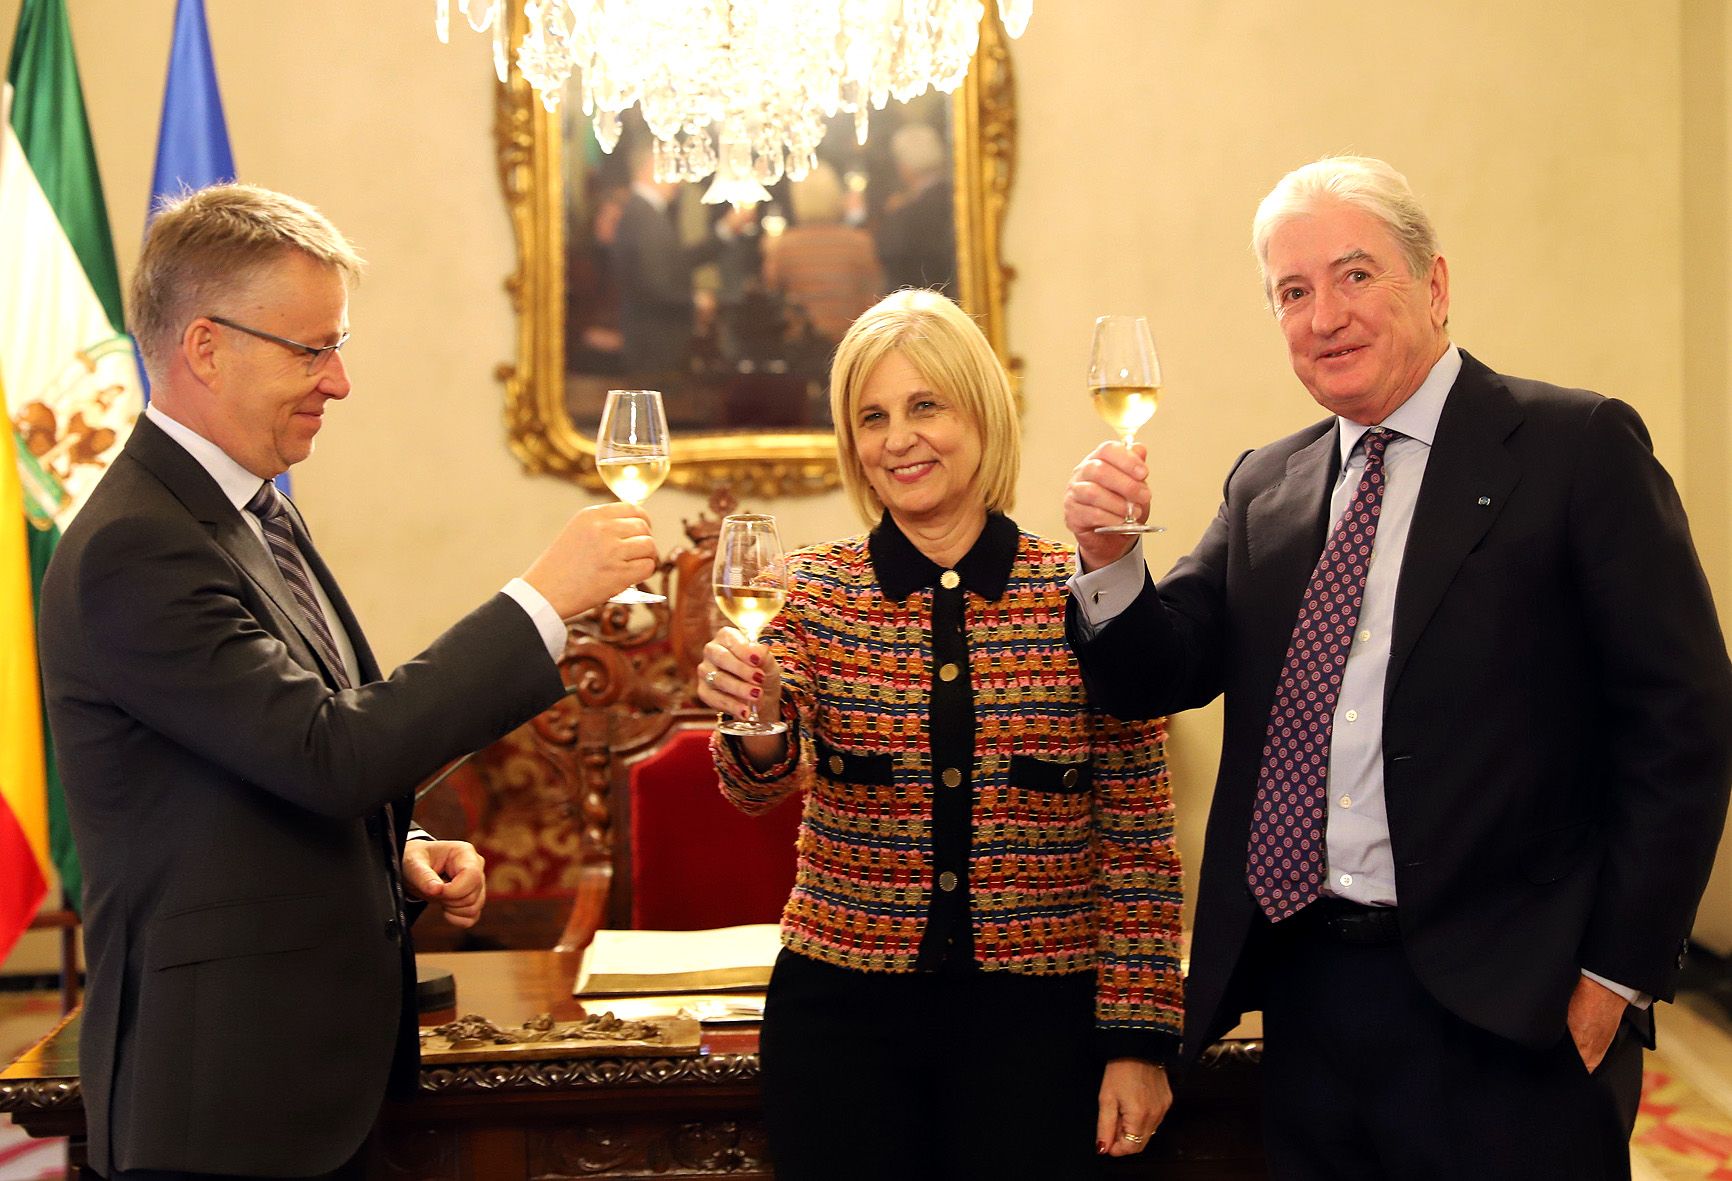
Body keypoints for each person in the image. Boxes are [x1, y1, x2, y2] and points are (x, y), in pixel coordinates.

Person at [1064, 155, 1732, 1179]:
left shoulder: (1572, 446)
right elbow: (1162, 668)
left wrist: (1614, 973)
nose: (1323, 314)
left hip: (1513, 1007)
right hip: (1310, 997)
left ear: (1434, 285)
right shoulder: (1267, 485)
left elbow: (1682, 724)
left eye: (1354, 275)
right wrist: (1110, 566)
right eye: (1292, 291)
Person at [37, 184, 658, 1181]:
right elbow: (333, 751)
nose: (339, 380)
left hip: (312, 1088)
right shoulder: (136, 548)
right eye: (312, 348)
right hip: (220, 1111)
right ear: (205, 346)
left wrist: (395, 847)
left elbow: (267, 755)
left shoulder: (252, 510)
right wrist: (544, 600)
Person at [697, 289, 1183, 1178]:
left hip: (1041, 1032)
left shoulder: (1083, 588)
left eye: (926, 405)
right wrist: (758, 716)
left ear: (981, 415)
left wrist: (1139, 1038)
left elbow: (1140, 832)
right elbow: (760, 782)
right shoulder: (809, 591)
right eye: (873, 416)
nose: (897, 438)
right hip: (842, 1029)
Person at [762, 161, 884, 345]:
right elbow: (873, 298)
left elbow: (770, 293)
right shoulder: (860, 242)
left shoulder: (784, 245)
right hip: (851, 342)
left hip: (802, 346)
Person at [873, 122, 955, 293]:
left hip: (917, 307)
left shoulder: (903, 215)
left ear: (903, 167)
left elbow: (889, 262)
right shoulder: (959, 199)